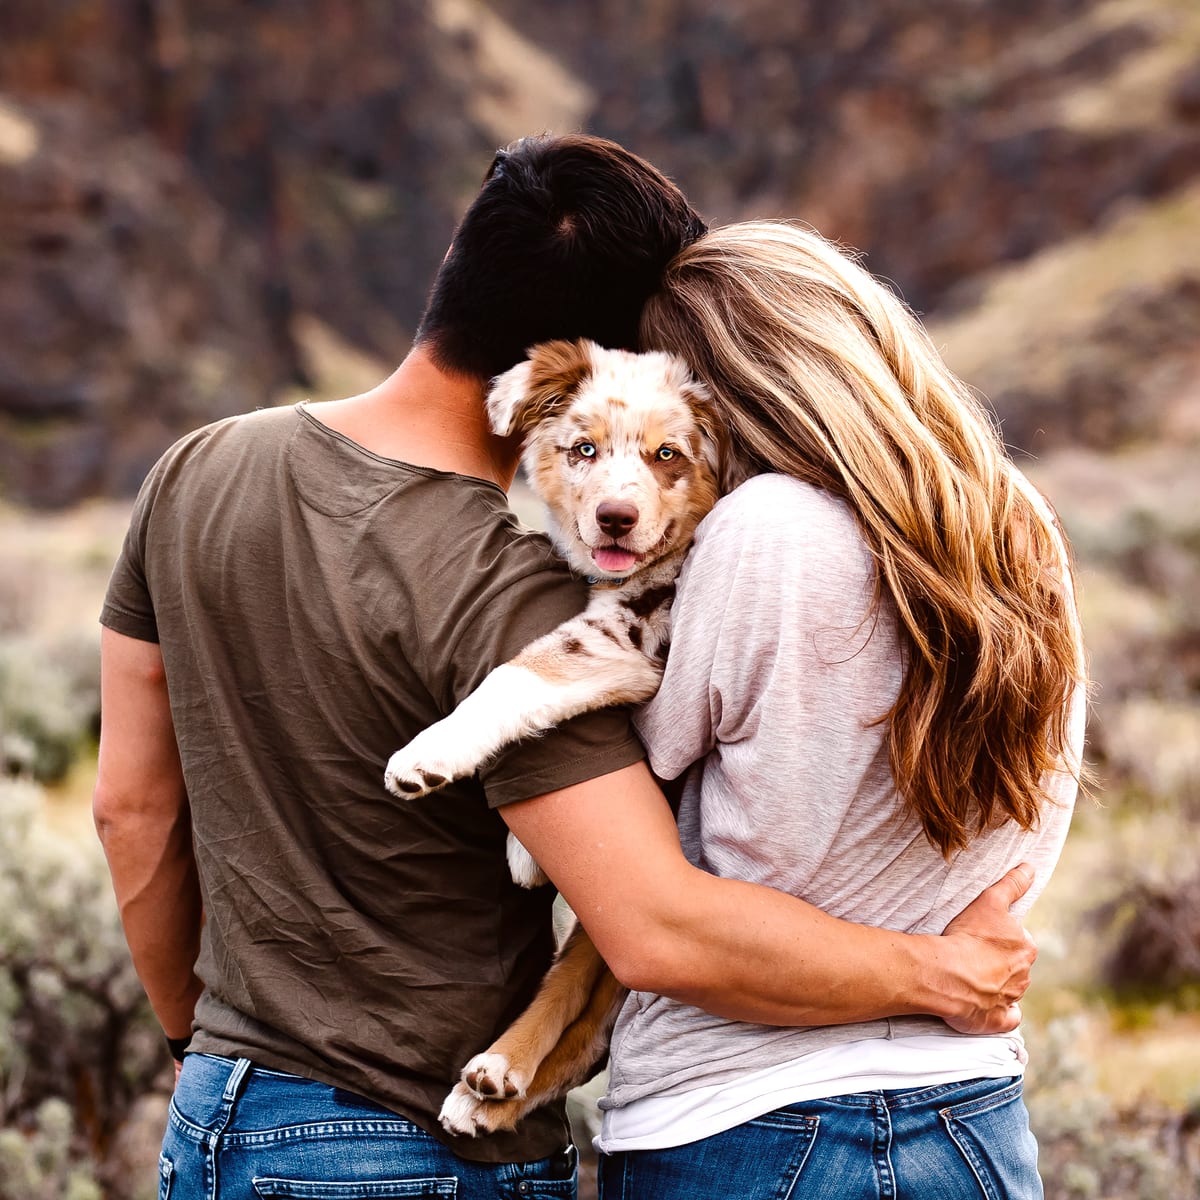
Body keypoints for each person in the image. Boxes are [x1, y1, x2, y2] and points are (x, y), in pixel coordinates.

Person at [94, 136, 1038, 1200]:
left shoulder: (195, 469)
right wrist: (939, 974)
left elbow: (131, 810)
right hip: (422, 1149)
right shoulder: (526, 605)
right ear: (602, 358)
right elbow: (654, 928)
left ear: (458, 252)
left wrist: (198, 1044)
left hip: (220, 1119)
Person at [592, 220, 1088, 1199]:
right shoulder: (1015, 520)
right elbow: (1046, 803)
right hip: (969, 1114)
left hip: (742, 1117)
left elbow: (627, 775)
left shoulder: (762, 534)